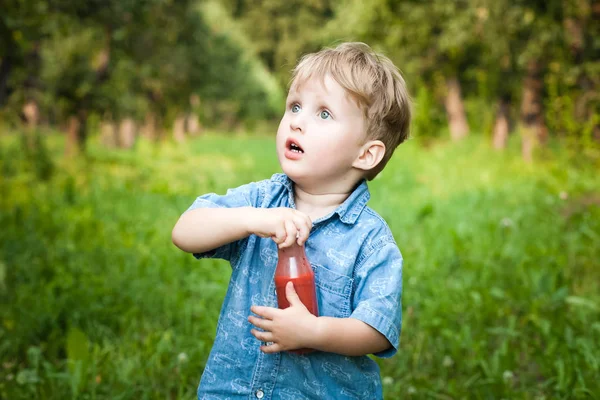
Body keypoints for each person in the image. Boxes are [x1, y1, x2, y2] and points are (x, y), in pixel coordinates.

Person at [172, 42, 411, 399]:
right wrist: (250, 219)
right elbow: (185, 231)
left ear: (365, 153)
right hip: (234, 389)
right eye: (295, 106)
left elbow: (377, 329)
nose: (297, 121)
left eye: (324, 114)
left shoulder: (370, 239)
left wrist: (312, 331)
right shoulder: (261, 202)